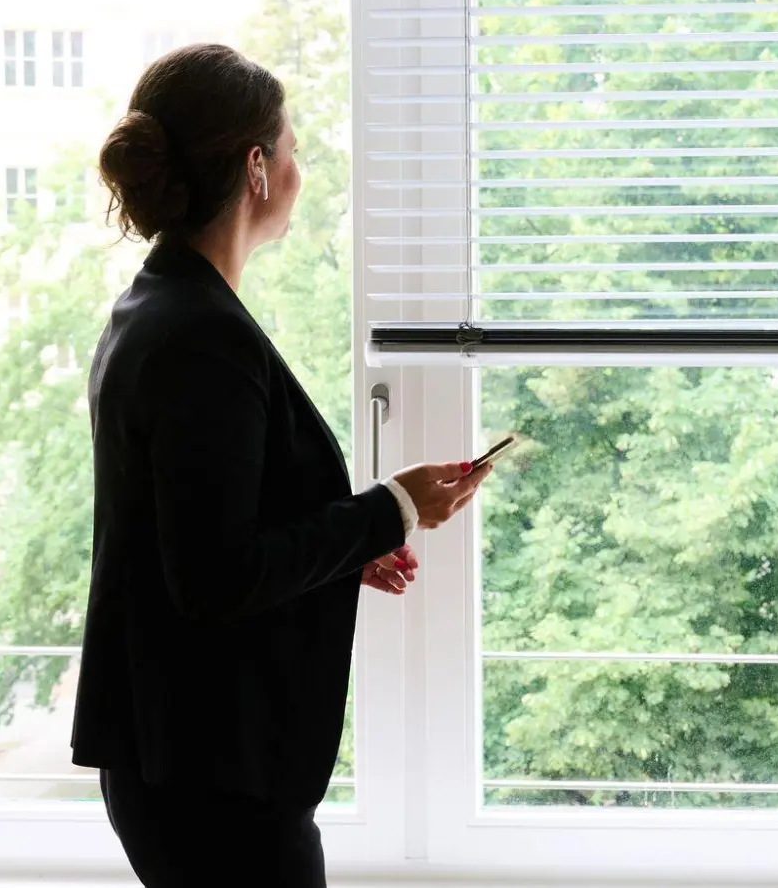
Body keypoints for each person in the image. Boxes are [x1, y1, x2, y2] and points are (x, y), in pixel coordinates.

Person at [71, 44, 487, 887]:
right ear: (256, 167)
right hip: (210, 778)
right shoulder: (201, 337)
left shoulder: (161, 306)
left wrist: (342, 553)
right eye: (292, 149)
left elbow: (194, 537)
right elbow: (216, 578)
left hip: (181, 761)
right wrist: (393, 509)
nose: (300, 170)